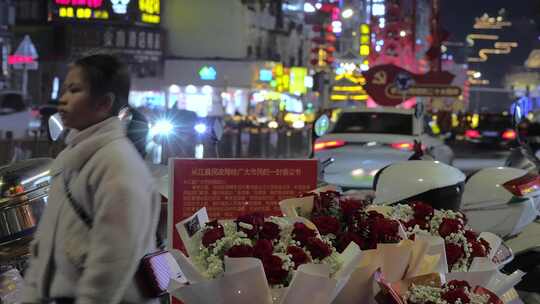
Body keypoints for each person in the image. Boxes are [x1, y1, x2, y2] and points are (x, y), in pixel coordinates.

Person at [22, 54, 161, 304]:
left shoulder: (118, 165)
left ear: (104, 103)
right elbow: (45, 244)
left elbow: (112, 260)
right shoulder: (69, 158)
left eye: (75, 90)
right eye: (64, 89)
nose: (62, 99)